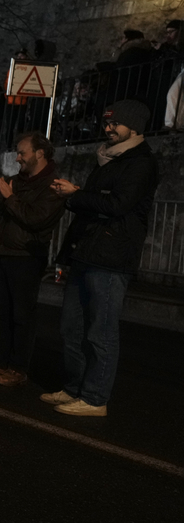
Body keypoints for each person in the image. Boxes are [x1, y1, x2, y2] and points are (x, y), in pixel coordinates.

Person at [45, 100, 159, 416]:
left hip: (111, 256)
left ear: (134, 127)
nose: (108, 128)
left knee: (101, 331)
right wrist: (75, 196)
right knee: (72, 327)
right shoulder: (108, 158)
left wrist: (78, 195)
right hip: (87, 250)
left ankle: (95, 398)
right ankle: (74, 388)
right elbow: (97, 202)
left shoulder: (140, 162)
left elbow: (119, 205)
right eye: (106, 123)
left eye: (115, 124)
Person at [0, 133, 66, 386]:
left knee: (22, 315)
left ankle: (18, 367)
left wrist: (10, 198)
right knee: (3, 313)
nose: (17, 158)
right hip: (3, 252)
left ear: (39, 154)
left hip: (27, 256)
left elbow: (36, 219)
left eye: (22, 153)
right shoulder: (16, 180)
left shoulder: (53, 186)